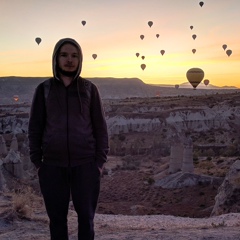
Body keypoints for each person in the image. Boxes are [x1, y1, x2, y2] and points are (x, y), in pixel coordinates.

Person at [28, 38, 109, 240]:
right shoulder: (44, 89)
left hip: (86, 165)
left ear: (80, 60)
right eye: (64, 55)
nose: (69, 60)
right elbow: (35, 127)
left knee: (86, 220)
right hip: (52, 166)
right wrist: (38, 163)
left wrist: (99, 162)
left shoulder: (89, 89)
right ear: (56, 58)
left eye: (74, 56)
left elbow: (101, 127)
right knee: (57, 221)